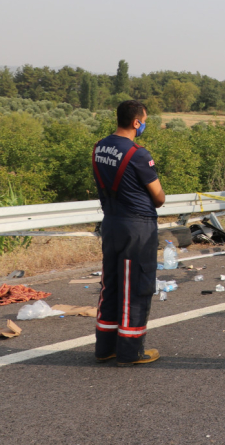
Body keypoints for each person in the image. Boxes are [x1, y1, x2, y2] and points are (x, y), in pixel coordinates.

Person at [92, 100, 166, 366]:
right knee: (136, 286)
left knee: (111, 285)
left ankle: (105, 348)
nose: (145, 124)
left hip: (111, 223)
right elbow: (158, 197)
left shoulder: (100, 147)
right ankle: (130, 351)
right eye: (145, 119)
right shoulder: (138, 153)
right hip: (137, 227)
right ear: (136, 122)